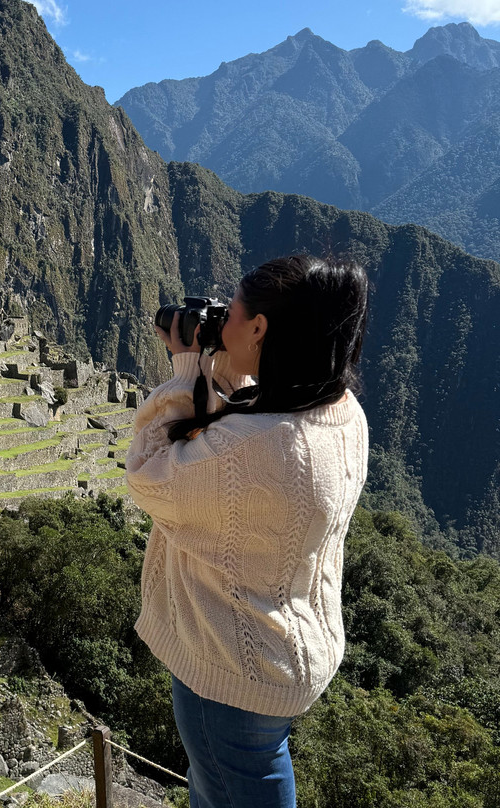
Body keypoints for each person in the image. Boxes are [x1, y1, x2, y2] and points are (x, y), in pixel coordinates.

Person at [125, 255, 369, 808]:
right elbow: (253, 432)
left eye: (231, 311)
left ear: (259, 328)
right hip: (292, 649)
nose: (222, 320)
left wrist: (188, 369)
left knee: (232, 789)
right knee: (247, 775)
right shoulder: (342, 412)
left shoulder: (253, 450)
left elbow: (150, 476)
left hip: (233, 667)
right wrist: (232, 372)